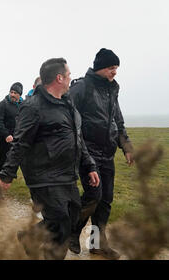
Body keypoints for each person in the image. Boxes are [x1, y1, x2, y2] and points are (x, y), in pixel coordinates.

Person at [0, 58, 99, 260]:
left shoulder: (68, 104)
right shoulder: (33, 107)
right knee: (60, 226)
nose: (71, 78)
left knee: (70, 217)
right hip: (44, 176)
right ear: (59, 78)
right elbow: (21, 142)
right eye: (68, 75)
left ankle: (30, 237)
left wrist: (89, 166)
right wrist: (7, 174)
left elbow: (78, 138)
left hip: (67, 174)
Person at [68, 48, 134, 260]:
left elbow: (118, 121)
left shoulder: (112, 90)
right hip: (88, 154)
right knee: (93, 196)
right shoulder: (81, 88)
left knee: (105, 202)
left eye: (116, 68)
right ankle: (71, 231)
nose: (115, 72)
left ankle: (97, 244)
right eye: (111, 68)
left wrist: (127, 147)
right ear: (99, 68)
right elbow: (69, 120)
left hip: (107, 154)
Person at [0, 82, 23, 195]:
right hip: (5, 139)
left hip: (18, 139)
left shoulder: (23, 105)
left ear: (20, 94)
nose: (12, 94)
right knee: (2, 162)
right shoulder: (3, 104)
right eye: (11, 92)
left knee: (14, 162)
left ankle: (5, 185)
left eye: (15, 92)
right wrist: (6, 135)